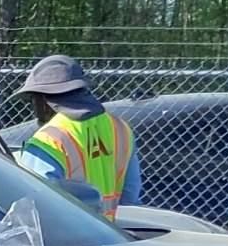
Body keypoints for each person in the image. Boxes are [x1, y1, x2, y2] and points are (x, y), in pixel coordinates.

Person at [15, 54, 139, 220]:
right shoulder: (120, 128)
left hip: (63, 242)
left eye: (33, 100)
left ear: (43, 100)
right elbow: (130, 194)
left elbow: (31, 207)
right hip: (109, 236)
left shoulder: (48, 140)